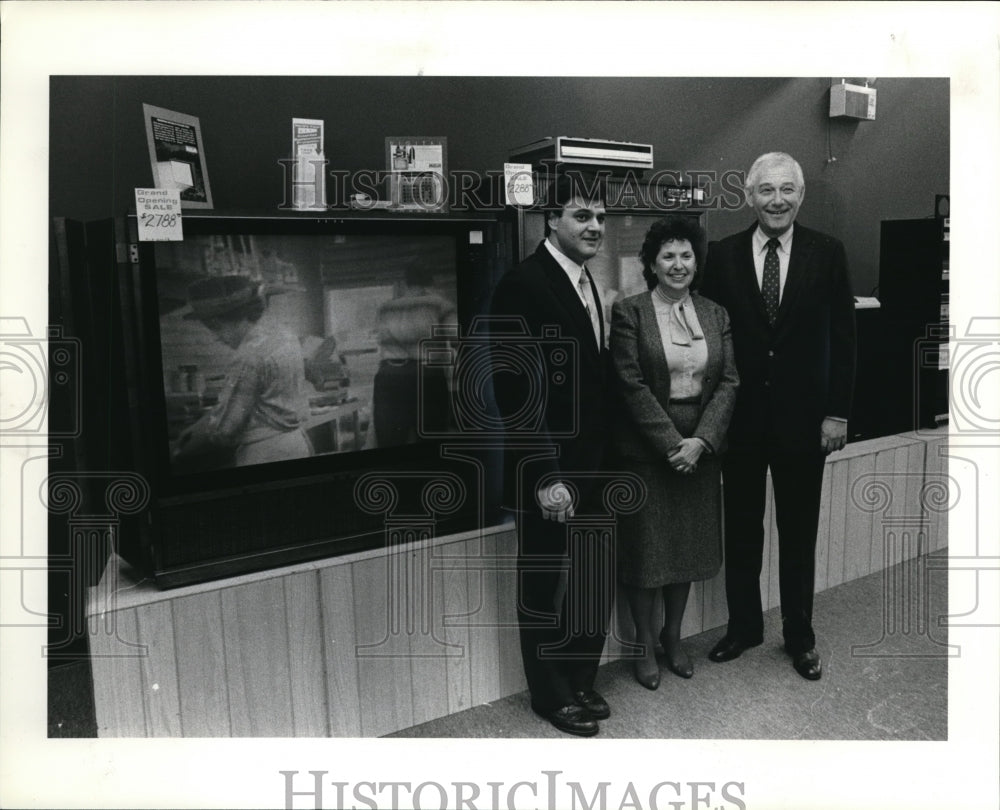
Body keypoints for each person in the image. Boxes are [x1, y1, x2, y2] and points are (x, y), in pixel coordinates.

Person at [700, 152, 856, 680]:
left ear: (801, 194)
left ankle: (799, 635)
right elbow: (708, 341)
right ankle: (744, 627)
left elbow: (844, 339)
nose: (777, 200)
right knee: (741, 530)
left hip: (804, 422)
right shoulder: (720, 256)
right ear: (749, 196)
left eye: (787, 189)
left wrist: (837, 413)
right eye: (766, 190)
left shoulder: (827, 253)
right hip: (739, 423)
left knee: (797, 533)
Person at [489, 175, 612, 737]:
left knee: (592, 574)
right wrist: (544, 476)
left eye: (601, 218)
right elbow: (516, 391)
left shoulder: (587, 280)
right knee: (543, 579)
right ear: (550, 221)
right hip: (549, 468)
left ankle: (579, 679)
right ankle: (548, 694)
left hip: (595, 460)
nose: (594, 227)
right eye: (582, 215)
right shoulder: (523, 283)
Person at [609, 216, 739, 690]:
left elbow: (728, 380)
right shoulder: (630, 312)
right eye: (668, 256)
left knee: (683, 550)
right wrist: (671, 445)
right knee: (647, 555)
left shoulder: (715, 313)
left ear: (696, 262)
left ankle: (672, 636)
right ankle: (643, 645)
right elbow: (630, 384)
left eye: (686, 255)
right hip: (648, 452)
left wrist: (701, 441)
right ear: (651, 263)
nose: (678, 264)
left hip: (701, 450)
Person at [173, 275, 313, 467]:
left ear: (215, 323)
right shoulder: (284, 335)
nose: (218, 339)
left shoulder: (248, 355)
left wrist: (179, 452)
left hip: (266, 454)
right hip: (295, 444)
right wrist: (199, 426)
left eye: (214, 330)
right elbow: (241, 403)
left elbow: (225, 432)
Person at [372, 265, 457, 447]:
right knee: (431, 442)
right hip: (425, 375)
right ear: (431, 281)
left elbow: (381, 339)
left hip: (388, 376)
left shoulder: (385, 308)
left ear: (406, 282)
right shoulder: (440, 304)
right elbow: (457, 337)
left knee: (390, 443)